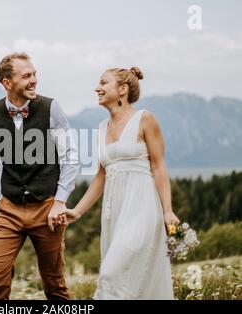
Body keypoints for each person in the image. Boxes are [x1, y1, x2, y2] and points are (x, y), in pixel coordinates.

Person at [63, 67, 180, 299]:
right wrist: (77, 212)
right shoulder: (100, 129)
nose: (97, 87)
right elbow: (101, 176)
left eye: (104, 83)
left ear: (122, 90)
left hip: (142, 208)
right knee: (127, 278)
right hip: (114, 212)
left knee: (110, 275)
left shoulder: (145, 119)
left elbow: (159, 166)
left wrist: (168, 211)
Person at [0, 52, 79, 300]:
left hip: (47, 207)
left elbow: (70, 158)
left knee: (54, 282)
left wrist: (59, 202)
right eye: (26, 76)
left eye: (34, 74)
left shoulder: (51, 108)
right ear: (7, 83)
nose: (34, 80)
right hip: (9, 209)